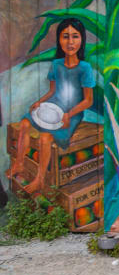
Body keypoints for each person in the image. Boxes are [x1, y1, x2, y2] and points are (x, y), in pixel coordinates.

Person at [6, 19, 94, 194]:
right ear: (59, 40)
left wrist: (70, 114)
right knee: (24, 123)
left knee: (45, 138)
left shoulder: (85, 68)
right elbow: (52, 91)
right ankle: (20, 164)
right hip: (54, 105)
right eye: (65, 37)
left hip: (72, 112)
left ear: (82, 39)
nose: (70, 42)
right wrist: (40, 101)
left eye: (75, 37)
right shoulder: (56, 64)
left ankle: (39, 180)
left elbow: (88, 101)